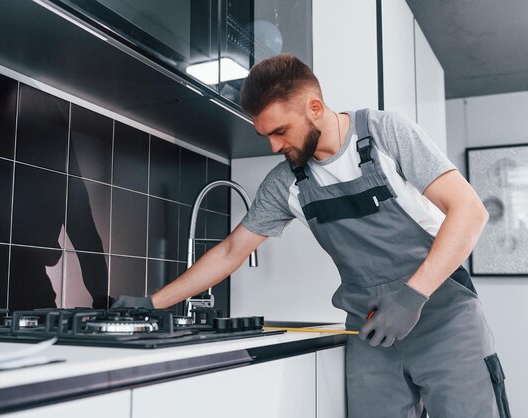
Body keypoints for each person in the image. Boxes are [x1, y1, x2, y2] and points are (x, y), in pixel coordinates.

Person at [113, 54, 511, 417]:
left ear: (315, 108)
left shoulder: (386, 134)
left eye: (281, 131)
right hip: (371, 333)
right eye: (266, 135)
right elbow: (231, 251)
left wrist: (413, 295)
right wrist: (154, 302)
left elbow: (468, 211)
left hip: (443, 319)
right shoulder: (285, 183)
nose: (273, 146)